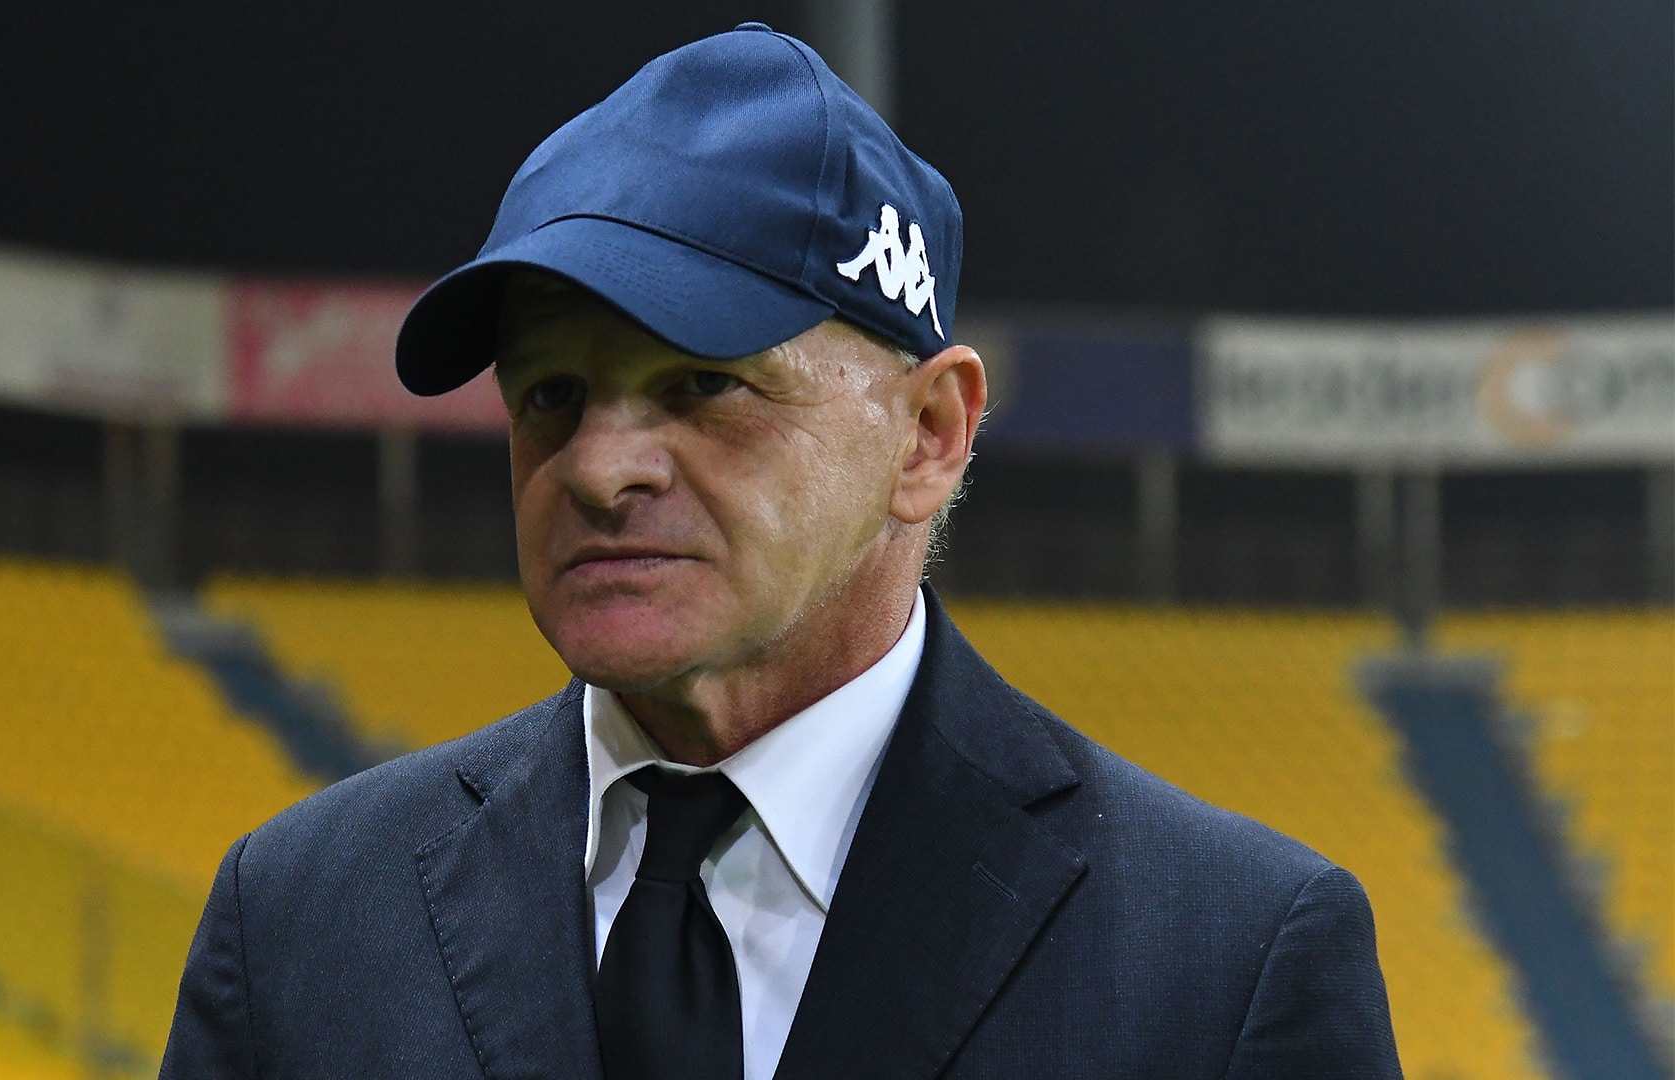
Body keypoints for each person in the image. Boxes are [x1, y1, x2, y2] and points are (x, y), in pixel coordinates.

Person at [161, 24, 1402, 1080]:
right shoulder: (299, 920)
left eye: (704, 385)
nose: (598, 469)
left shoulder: (1228, 963)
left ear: (929, 434)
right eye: (548, 397)